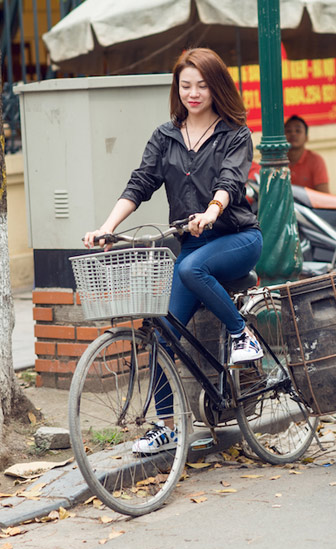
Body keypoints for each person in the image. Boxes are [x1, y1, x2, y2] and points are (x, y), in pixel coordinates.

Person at [84, 48, 263, 454]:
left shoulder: (233, 133)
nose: (194, 93)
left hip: (236, 237)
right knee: (163, 336)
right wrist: (107, 228)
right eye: (186, 85)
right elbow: (140, 183)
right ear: (176, 88)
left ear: (217, 88)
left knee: (189, 269)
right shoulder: (165, 137)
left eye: (202, 85)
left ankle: (242, 334)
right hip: (194, 246)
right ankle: (167, 427)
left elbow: (230, 181)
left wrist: (212, 211)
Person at [284, 115, 330, 193]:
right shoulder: (277, 161)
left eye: (298, 131)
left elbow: (324, 194)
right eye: (288, 131)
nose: (293, 134)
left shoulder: (315, 161)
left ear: (306, 137)